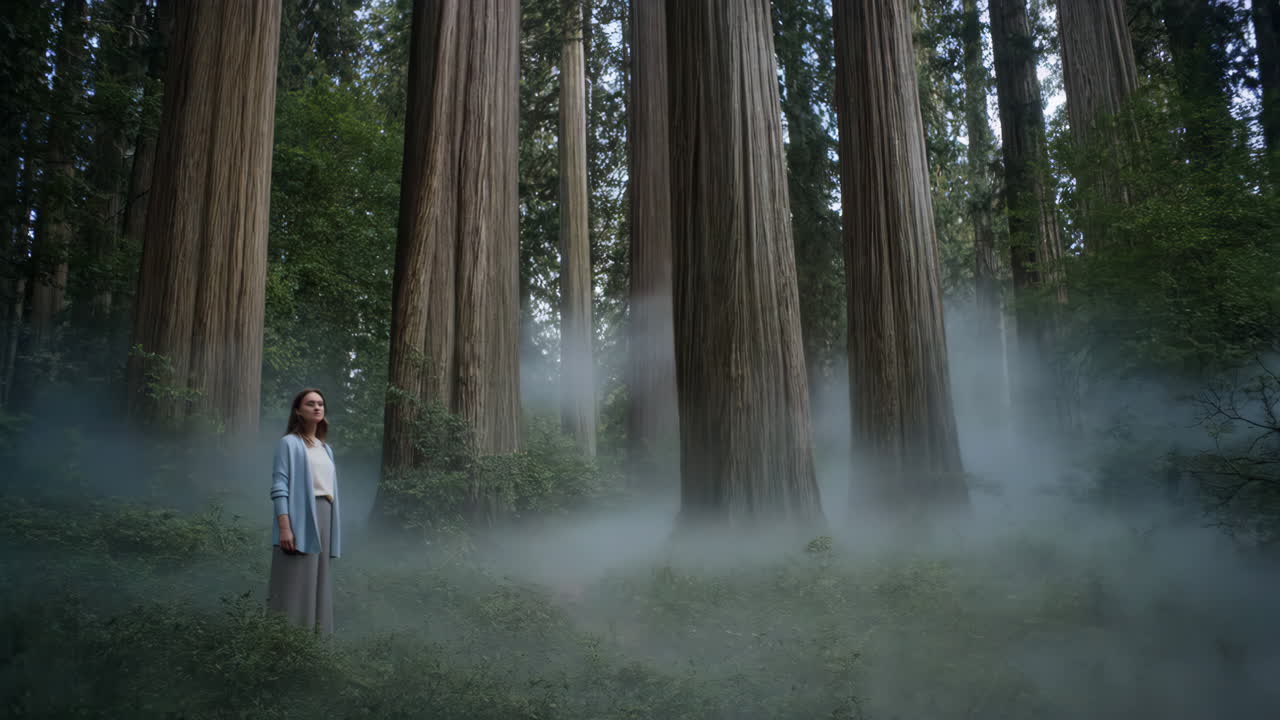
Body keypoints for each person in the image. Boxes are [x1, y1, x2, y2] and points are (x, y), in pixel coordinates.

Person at [267, 388, 342, 634]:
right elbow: (279, 486)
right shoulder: (288, 443)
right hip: (300, 516)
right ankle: (286, 641)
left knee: (319, 581)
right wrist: (284, 527)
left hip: (325, 515)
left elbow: (329, 488)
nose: (317, 407)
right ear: (298, 411)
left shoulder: (325, 448)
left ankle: (316, 646)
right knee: (295, 579)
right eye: (310, 404)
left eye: (320, 403)